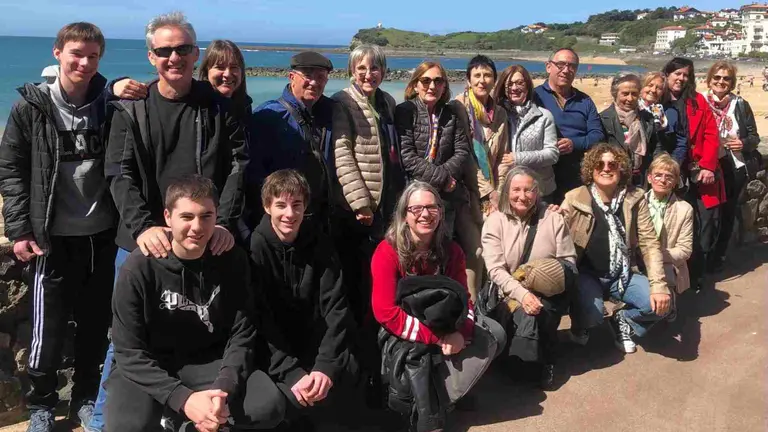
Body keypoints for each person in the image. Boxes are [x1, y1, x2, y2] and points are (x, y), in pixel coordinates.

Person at [92, 12, 247, 431]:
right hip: (144, 241)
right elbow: (118, 172)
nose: (173, 57)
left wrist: (223, 222)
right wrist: (144, 226)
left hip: (204, 236)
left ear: (195, 54)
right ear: (151, 57)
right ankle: (104, 420)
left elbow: (238, 166)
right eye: (164, 51)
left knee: (204, 330)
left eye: (182, 49)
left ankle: (188, 408)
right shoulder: (131, 107)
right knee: (125, 339)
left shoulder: (219, 106)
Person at [0, 22, 117, 432]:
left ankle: (85, 397)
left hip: (102, 237)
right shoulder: (31, 107)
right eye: (76, 54)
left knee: (94, 327)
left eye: (92, 56)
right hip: (51, 240)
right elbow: (11, 170)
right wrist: (20, 230)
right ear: (57, 53)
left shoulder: (109, 105)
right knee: (45, 332)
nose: (84, 63)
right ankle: (41, 406)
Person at [105, 175, 284, 432]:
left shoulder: (232, 260)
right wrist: (183, 399)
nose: (197, 227)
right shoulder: (139, 267)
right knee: (127, 426)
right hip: (150, 365)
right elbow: (128, 352)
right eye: (187, 217)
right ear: (168, 217)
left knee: (268, 406)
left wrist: (223, 389)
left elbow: (242, 334)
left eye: (206, 216)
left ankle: (191, 424)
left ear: (217, 216)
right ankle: (174, 416)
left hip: (207, 361)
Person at [371, 181, 504, 431]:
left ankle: (453, 391)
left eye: (432, 207)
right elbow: (385, 312)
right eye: (416, 208)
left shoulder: (452, 250)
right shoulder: (387, 252)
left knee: (495, 333)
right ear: (404, 215)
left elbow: (465, 300)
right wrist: (436, 338)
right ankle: (429, 411)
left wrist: (460, 333)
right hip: (405, 328)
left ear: (441, 213)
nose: (425, 214)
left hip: (445, 324)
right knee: (417, 354)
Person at [249, 170, 356, 427]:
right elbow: (260, 322)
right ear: (267, 207)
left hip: (313, 347)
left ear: (305, 206)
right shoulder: (256, 248)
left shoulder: (320, 242)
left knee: (348, 373)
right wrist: (292, 372)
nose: (290, 214)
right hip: (277, 355)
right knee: (290, 402)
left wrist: (324, 366)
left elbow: (336, 308)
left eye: (296, 204)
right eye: (281, 205)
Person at [329, 44, 405, 403]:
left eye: (374, 68)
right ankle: (361, 374)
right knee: (360, 289)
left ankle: (384, 364)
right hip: (360, 213)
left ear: (384, 72)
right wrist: (360, 202)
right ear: (351, 70)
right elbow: (342, 153)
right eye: (361, 68)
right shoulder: (343, 102)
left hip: (387, 207)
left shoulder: (387, 102)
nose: (368, 74)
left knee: (385, 284)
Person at [561, 144, 670, 354]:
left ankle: (623, 319)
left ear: (621, 169)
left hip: (623, 273)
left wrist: (658, 285)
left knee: (660, 305)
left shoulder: (635, 198)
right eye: (599, 164)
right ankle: (580, 326)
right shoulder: (574, 198)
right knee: (593, 315)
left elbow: (649, 243)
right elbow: (557, 236)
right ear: (590, 168)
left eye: (612, 164)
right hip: (587, 274)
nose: (606, 168)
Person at [481, 166, 577, 389]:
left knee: (542, 311)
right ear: (506, 192)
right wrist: (523, 294)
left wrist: (547, 278)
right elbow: (495, 270)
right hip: (507, 291)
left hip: (546, 289)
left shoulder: (553, 218)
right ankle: (516, 355)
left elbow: (568, 262)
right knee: (524, 320)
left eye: (528, 190)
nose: (522, 196)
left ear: (537, 192)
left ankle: (547, 359)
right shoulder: (495, 221)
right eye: (516, 190)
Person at [395, 61, 475, 298]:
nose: (432, 86)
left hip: (445, 199)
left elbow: (462, 151)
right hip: (413, 195)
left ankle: (444, 299)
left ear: (444, 86)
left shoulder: (451, 114)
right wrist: (441, 179)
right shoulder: (405, 111)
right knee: (413, 250)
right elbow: (407, 156)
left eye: (438, 81)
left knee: (441, 250)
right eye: (426, 80)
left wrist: (446, 179)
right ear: (415, 85)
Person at [248, 51, 336, 234]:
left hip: (320, 219)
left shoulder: (332, 112)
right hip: (284, 219)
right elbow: (254, 174)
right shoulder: (269, 115)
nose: (314, 82)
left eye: (320, 77)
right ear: (291, 77)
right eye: (308, 75)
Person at [663, 57, 724, 291]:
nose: (681, 78)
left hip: (699, 172)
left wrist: (708, 165)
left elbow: (711, 134)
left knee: (704, 223)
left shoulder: (697, 100)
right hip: (667, 173)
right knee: (670, 225)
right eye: (677, 73)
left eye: (685, 74)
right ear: (667, 74)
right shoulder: (658, 99)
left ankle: (697, 274)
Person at [453, 55, 507, 300]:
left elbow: (503, 157)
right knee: (474, 250)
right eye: (477, 75)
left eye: (487, 75)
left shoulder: (500, 114)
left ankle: (488, 302)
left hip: (493, 193)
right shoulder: (459, 108)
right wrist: (488, 191)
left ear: (494, 80)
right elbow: (464, 155)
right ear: (468, 80)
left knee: (492, 249)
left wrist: (500, 193)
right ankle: (471, 304)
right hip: (465, 191)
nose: (482, 80)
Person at [703, 61, 759, 271]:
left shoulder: (741, 104)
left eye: (726, 78)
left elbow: (754, 136)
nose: (721, 81)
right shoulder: (700, 102)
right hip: (707, 165)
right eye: (717, 77)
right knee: (707, 215)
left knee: (727, 213)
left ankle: (718, 257)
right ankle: (702, 258)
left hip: (734, 166)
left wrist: (743, 143)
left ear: (732, 82)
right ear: (709, 80)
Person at [533, 47, 604, 204]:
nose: (566, 70)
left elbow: (598, 135)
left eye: (572, 66)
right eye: (561, 64)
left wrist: (574, 143)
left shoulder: (585, 101)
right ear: (548, 66)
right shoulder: (534, 97)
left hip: (577, 176)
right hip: (542, 175)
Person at [492, 64, 559, 204]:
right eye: (509, 84)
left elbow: (552, 154)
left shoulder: (544, 116)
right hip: (507, 190)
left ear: (528, 86)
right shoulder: (496, 116)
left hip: (540, 191)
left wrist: (518, 158)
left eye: (520, 83)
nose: (514, 88)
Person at [645, 154, 693, 310]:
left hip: (667, 263)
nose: (663, 180)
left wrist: (656, 256)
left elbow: (685, 250)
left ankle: (669, 304)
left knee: (660, 308)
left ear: (675, 182)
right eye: (658, 175)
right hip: (638, 262)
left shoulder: (684, 209)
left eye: (669, 177)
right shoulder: (636, 203)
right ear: (649, 178)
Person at [599, 72, 660, 187]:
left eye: (634, 94)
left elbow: (656, 147)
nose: (630, 98)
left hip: (642, 180)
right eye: (625, 94)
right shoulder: (603, 119)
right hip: (614, 180)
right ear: (615, 94)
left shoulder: (647, 118)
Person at [639, 71, 688, 166]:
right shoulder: (633, 109)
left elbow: (680, 142)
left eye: (659, 88)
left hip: (662, 166)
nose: (653, 90)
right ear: (642, 86)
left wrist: (673, 163)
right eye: (650, 85)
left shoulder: (670, 113)